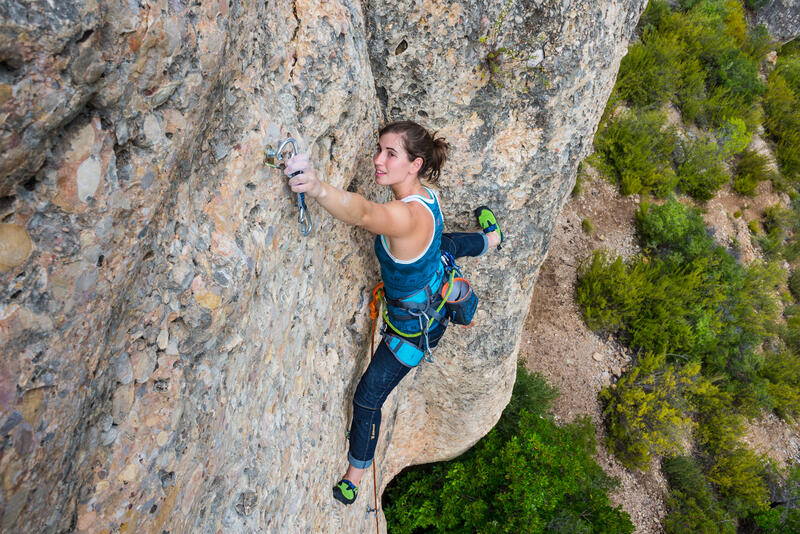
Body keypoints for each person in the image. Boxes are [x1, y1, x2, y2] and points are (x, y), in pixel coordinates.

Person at [282, 120, 503, 505]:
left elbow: (365, 213)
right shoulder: (425, 197)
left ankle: (354, 475)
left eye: (391, 154)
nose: (378, 160)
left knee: (368, 398)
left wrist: (316, 188)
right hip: (432, 285)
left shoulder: (403, 216)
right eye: (379, 150)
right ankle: (490, 240)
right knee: (444, 241)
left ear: (415, 164)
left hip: (412, 331)